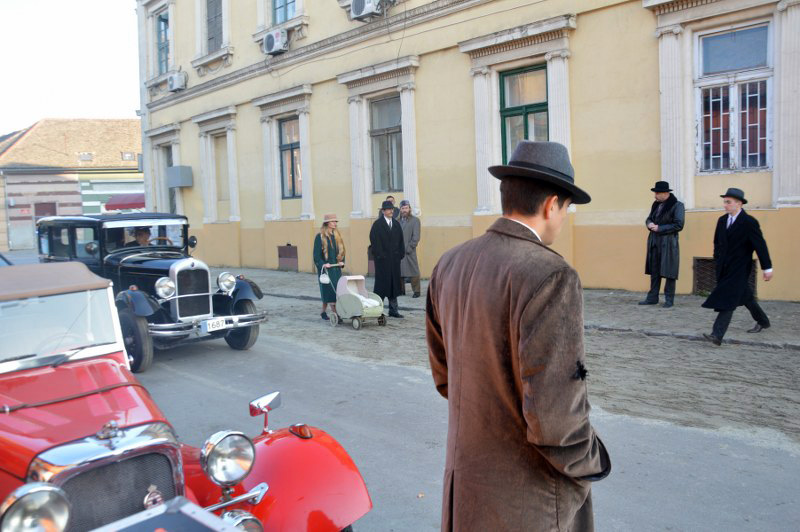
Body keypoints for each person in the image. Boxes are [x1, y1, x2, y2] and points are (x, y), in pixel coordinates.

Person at [426, 141, 610, 532]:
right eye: (566, 209)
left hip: (466, 488)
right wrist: (590, 460)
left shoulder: (449, 263)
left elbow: (446, 377)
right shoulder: (550, 274)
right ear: (551, 205)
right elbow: (555, 417)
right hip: (529, 501)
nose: (563, 219)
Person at [702, 188, 773, 346]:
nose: (725, 205)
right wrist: (717, 258)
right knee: (745, 296)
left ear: (739, 203)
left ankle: (717, 335)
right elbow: (717, 242)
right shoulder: (721, 220)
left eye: (728, 202)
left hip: (740, 268)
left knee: (729, 299)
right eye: (725, 201)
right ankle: (763, 321)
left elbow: (760, 246)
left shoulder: (749, 222)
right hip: (724, 267)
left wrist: (767, 268)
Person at [639, 181, 685, 308]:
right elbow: (649, 218)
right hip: (654, 242)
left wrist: (660, 228)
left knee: (669, 272)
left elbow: (678, 224)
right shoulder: (656, 205)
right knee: (654, 271)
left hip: (668, 243)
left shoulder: (677, 205)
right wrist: (649, 224)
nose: (655, 195)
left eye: (657, 193)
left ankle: (669, 299)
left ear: (666, 193)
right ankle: (652, 297)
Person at [369, 200, 405, 318]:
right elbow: (374, 241)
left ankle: (393, 310)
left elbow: (401, 241)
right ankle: (376, 308)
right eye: (388, 209)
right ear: (383, 211)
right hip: (382, 261)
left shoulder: (396, 224)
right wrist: (380, 255)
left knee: (394, 285)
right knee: (381, 286)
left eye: (392, 209)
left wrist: (400, 254)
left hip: (394, 261)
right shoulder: (377, 225)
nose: (391, 211)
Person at [313, 214, 346, 321]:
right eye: (333, 221)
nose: (335, 223)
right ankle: (336, 314)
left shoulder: (337, 236)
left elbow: (342, 252)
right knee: (329, 291)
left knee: (334, 290)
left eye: (336, 221)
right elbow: (316, 255)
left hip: (336, 269)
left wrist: (342, 262)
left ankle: (323, 312)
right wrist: (323, 263)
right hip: (326, 269)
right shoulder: (320, 237)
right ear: (327, 223)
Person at [398, 200, 421, 298]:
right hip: (398, 251)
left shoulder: (415, 221)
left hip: (409, 250)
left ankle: (416, 291)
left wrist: (409, 248)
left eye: (406, 208)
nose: (404, 210)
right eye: (402, 208)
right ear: (400, 209)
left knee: (414, 271)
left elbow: (416, 237)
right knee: (399, 272)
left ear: (409, 209)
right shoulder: (396, 221)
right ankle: (401, 290)